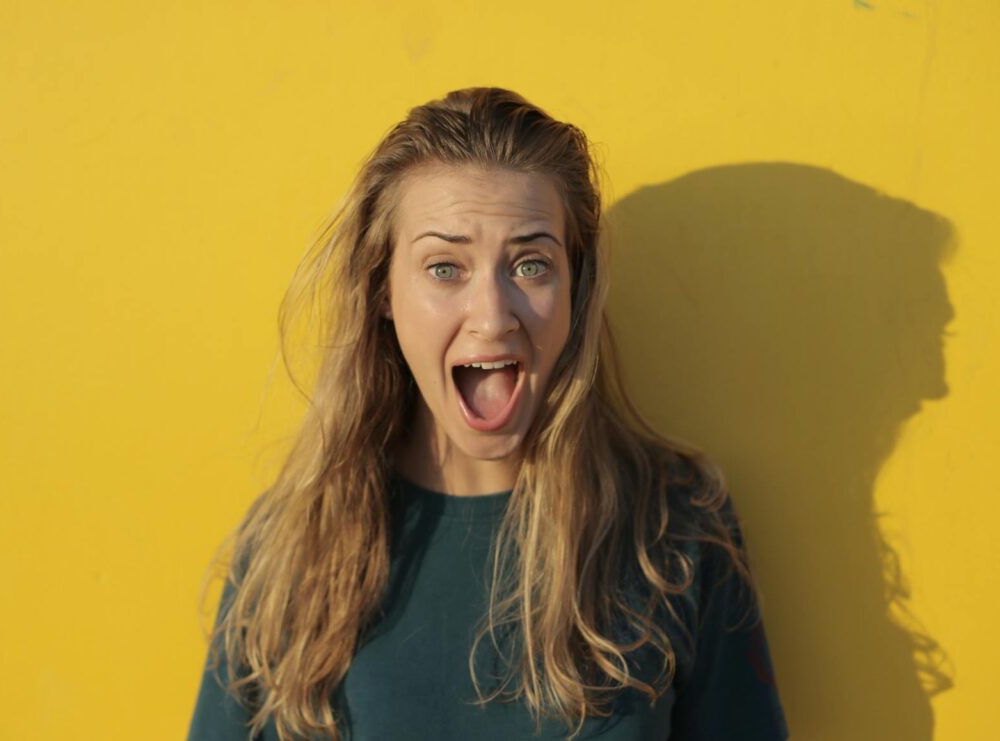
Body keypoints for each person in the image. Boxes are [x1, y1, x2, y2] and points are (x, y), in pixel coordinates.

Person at [187, 87, 790, 741]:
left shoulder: (675, 530)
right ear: (381, 288)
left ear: (575, 290)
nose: (494, 316)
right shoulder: (291, 548)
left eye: (531, 264)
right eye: (445, 268)